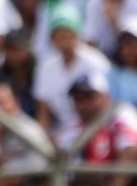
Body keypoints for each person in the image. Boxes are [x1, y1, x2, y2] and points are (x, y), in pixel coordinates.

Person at [35, 6, 115, 138]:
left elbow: (105, 102)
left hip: (94, 128)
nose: (64, 37)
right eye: (59, 33)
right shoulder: (46, 67)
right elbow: (43, 110)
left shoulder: (96, 61)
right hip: (62, 131)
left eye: (68, 32)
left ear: (77, 34)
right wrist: (43, 138)